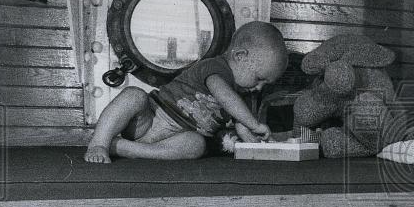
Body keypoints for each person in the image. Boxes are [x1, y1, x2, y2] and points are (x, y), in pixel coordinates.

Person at [84, 21, 288, 163]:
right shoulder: (216, 68)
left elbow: (242, 126)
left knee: (197, 145)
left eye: (265, 84)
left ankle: (125, 149)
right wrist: (255, 123)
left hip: (179, 136)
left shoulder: (242, 95)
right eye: (259, 78)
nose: (259, 87)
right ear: (241, 56)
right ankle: (100, 143)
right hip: (150, 119)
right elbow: (225, 97)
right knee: (134, 95)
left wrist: (257, 144)